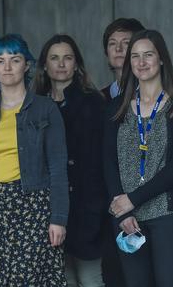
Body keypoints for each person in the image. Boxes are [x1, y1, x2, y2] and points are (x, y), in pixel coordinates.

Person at [0, 34, 68, 286]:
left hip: (34, 209)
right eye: (0, 60)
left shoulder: (45, 109)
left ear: (27, 65)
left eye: (15, 59)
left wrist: (58, 219)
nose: (7, 67)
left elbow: (58, 168)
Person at [34, 34, 106, 287]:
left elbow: (103, 159)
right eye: (54, 58)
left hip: (87, 206)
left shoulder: (94, 102)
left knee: (89, 278)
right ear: (44, 65)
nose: (61, 64)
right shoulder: (34, 105)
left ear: (76, 64)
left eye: (68, 58)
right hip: (49, 208)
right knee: (61, 280)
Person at [104, 30, 173, 287]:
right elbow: (108, 162)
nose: (141, 62)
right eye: (135, 56)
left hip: (167, 214)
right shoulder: (116, 107)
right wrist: (121, 211)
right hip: (126, 218)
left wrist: (133, 199)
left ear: (162, 59)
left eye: (148, 55)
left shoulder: (171, 106)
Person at [100, 18, 145, 101]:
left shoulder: (159, 94)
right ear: (106, 51)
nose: (118, 49)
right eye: (112, 43)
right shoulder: (99, 98)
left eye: (126, 43)